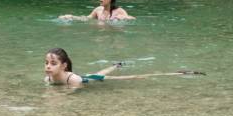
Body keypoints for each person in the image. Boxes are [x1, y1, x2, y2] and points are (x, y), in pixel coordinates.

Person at [44, 48, 205, 87]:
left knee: (129, 77)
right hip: (87, 77)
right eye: (47, 63)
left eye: (53, 63)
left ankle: (174, 73)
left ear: (64, 66)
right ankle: (116, 64)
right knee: (97, 73)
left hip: (86, 81)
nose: (48, 67)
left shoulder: (73, 80)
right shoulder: (48, 78)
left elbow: (76, 90)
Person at [59, 0, 135, 21]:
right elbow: (86, 19)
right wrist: (71, 17)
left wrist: (124, 18)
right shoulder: (98, 10)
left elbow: (132, 19)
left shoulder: (119, 11)